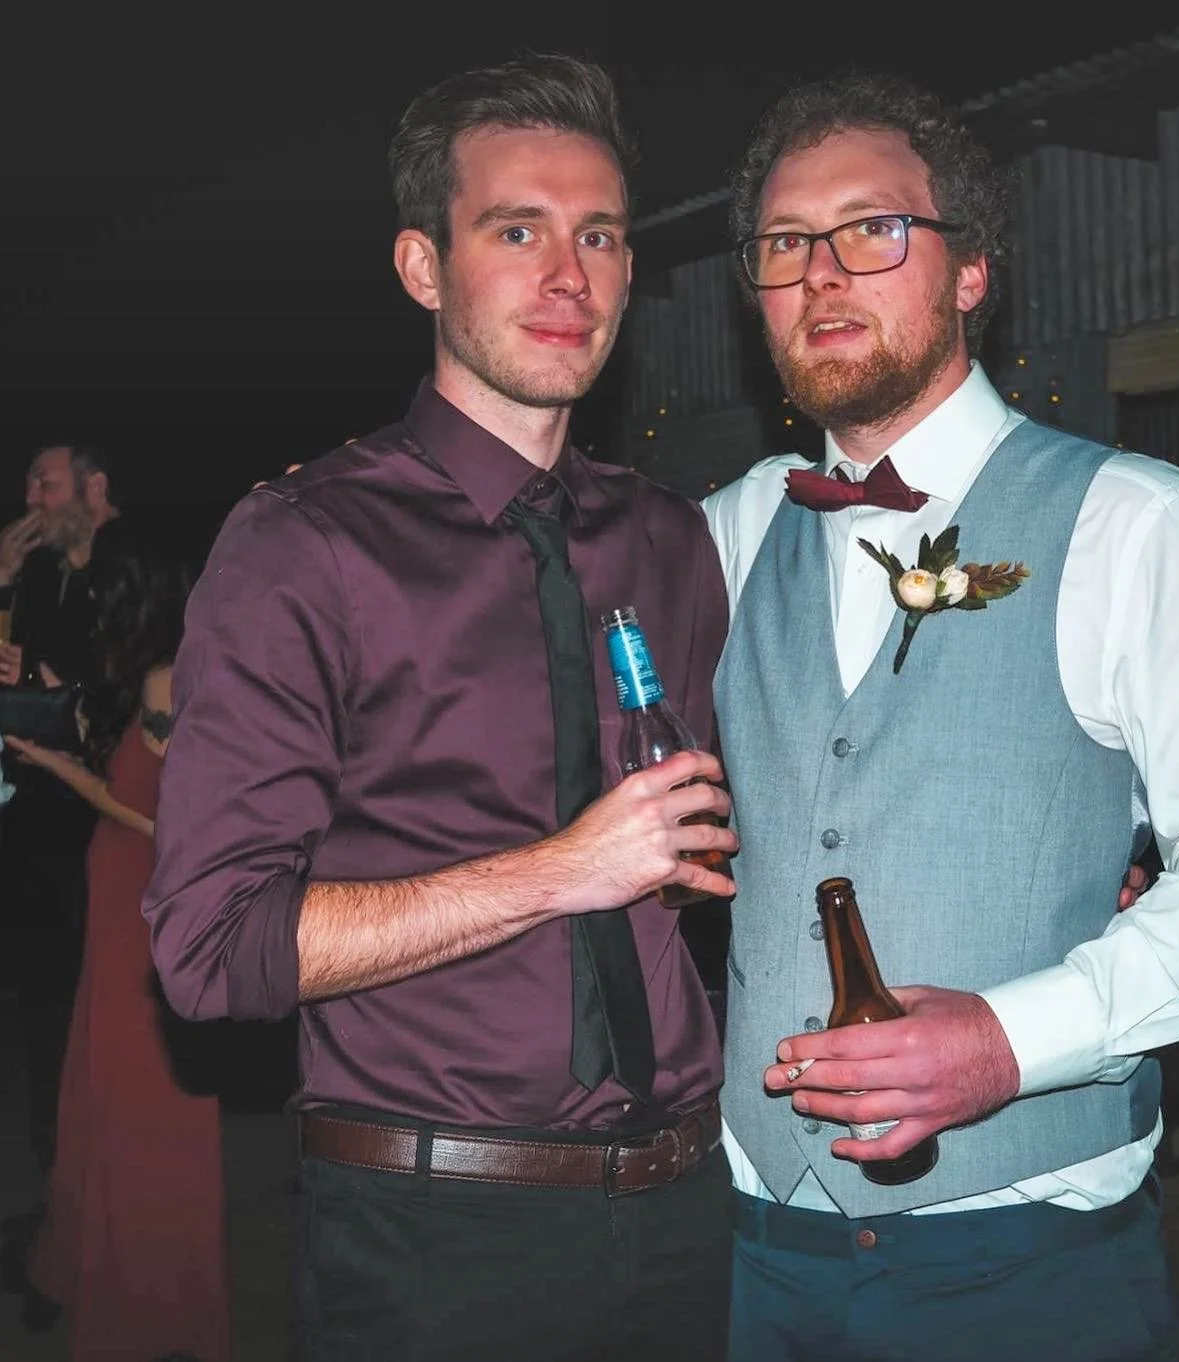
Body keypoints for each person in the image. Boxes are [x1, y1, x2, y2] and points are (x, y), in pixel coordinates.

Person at [702, 72, 1179, 1362]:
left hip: (1027, 1256)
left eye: (873, 230)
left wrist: (1009, 1041)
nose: (822, 274)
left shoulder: (1138, 523)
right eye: (784, 243)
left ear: (972, 270)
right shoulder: (731, 526)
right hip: (758, 1244)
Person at [142, 53, 738, 1362]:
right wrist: (558, 871)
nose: (568, 276)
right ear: (423, 266)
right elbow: (210, 948)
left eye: (599, 236)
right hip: (436, 1239)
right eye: (516, 232)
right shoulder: (305, 543)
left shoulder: (667, 537)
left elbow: (707, 855)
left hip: (693, 1213)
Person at [3, 527, 231, 1362]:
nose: (95, 603)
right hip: (114, 911)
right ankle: (79, 1269)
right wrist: (56, 709)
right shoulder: (150, 677)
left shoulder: (171, 676)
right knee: (99, 1100)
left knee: (143, 1113)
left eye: (105, 592)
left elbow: (175, 822)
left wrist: (65, 773)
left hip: (144, 917)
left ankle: (153, 1309)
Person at [0, 443, 124, 1251]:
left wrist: (61, 690)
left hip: (115, 836)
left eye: (44, 482)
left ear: (93, 487)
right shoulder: (45, 579)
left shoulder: (140, 572)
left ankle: (106, 1225)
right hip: (44, 839)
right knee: (48, 1034)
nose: (31, 498)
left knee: (105, 1037)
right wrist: (4, 585)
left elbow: (145, 699)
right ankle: (59, 1219)